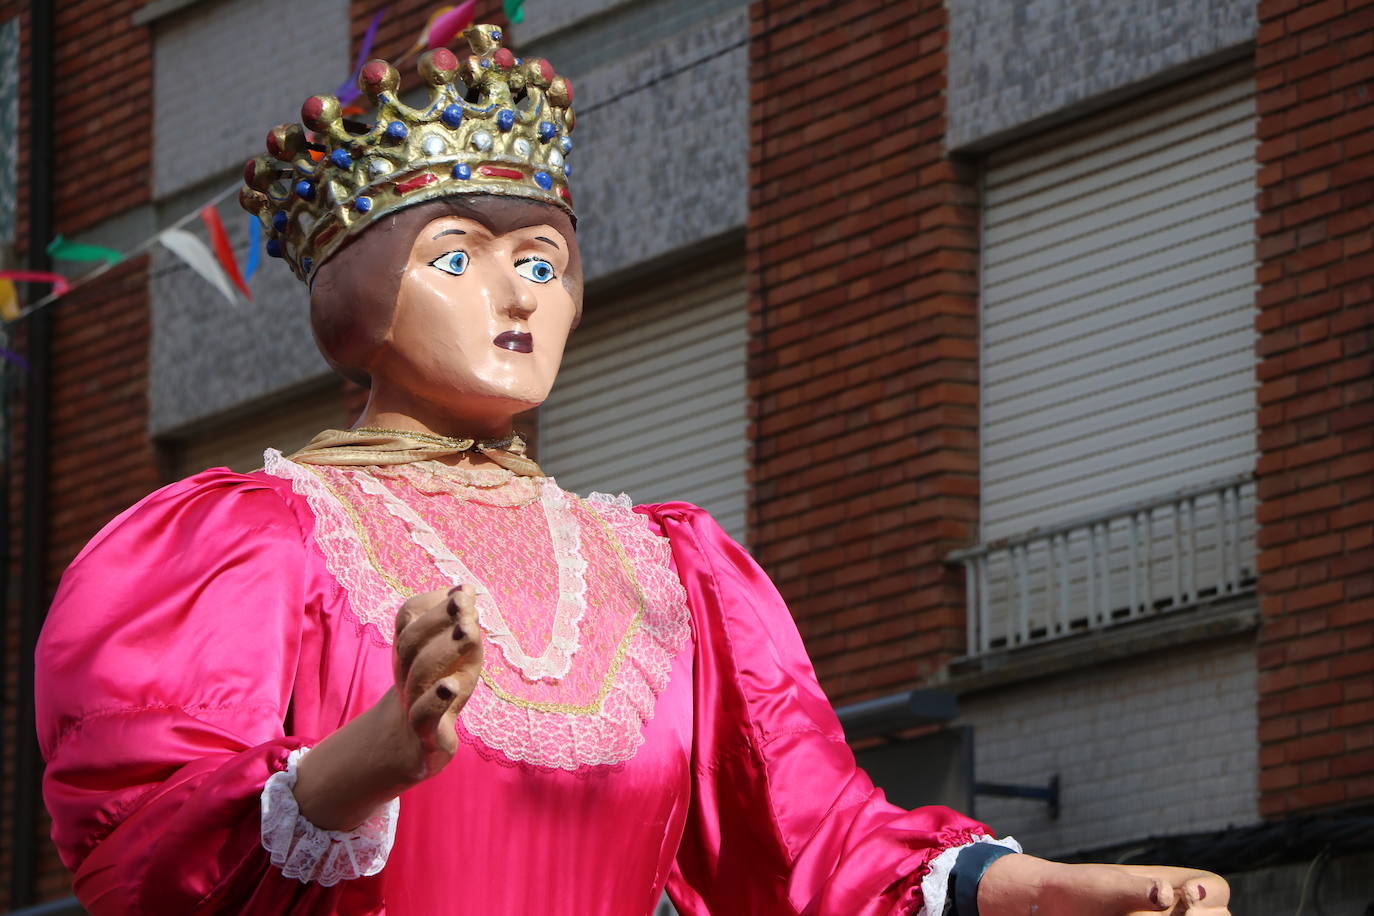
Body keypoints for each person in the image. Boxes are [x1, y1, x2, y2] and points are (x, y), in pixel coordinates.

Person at [35, 25, 1230, 916]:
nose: (517, 296)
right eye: (459, 258)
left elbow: (817, 836)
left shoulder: (671, 568)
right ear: (355, 299)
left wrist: (1048, 887)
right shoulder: (246, 544)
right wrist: (372, 758)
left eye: (544, 263)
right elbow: (147, 843)